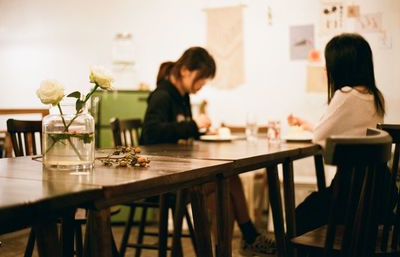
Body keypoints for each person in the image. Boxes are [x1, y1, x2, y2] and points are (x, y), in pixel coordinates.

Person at [141, 46, 276, 256]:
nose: (202, 85)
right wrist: (194, 125)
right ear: (185, 71)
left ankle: (230, 248)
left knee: (227, 190)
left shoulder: (181, 95)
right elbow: (150, 133)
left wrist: (200, 130)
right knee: (228, 181)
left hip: (177, 174)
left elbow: (180, 134)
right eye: (201, 79)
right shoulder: (162, 95)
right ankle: (248, 237)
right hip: (160, 182)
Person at [287, 33, 388, 238]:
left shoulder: (346, 94)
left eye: (329, 64)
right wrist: (307, 124)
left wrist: (313, 129)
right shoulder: (375, 96)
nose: (326, 69)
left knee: (298, 216)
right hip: (379, 191)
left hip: (350, 194)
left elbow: (319, 137)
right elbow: (349, 130)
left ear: (341, 67)